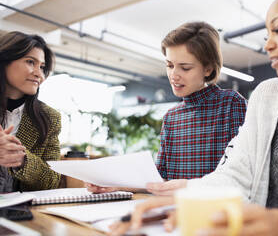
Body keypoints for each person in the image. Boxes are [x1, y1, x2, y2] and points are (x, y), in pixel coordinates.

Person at [108, 0, 278, 235]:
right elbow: (236, 174)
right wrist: (189, 198)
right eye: (267, 34)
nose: (268, 44)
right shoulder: (267, 96)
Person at [86, 22, 247, 193]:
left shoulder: (230, 103)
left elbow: (239, 175)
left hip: (212, 210)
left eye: (185, 68)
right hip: (172, 210)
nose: (173, 75)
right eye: (169, 65)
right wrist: (115, 186)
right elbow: (160, 178)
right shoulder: (171, 117)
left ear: (208, 69)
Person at [0, 31, 61, 192]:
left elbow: (53, 180)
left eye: (42, 67)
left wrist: (22, 159)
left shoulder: (49, 118)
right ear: (4, 61)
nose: (39, 74)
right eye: (30, 62)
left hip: (20, 213)